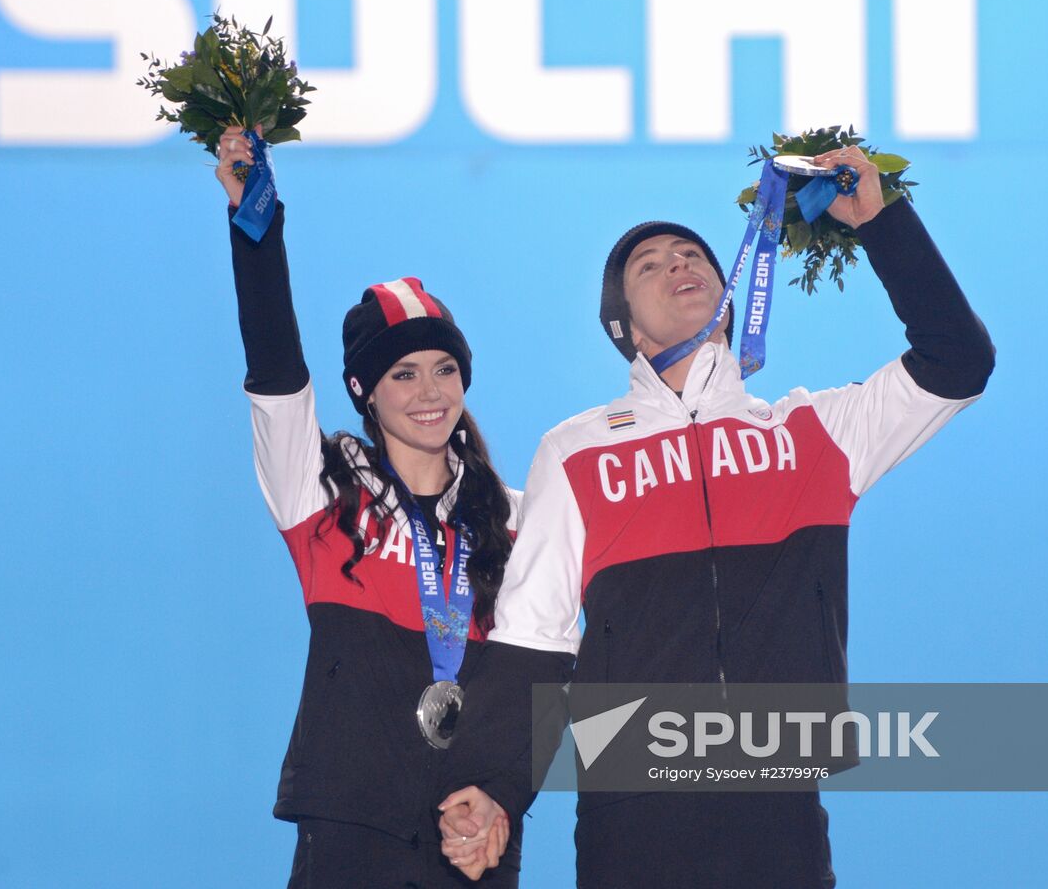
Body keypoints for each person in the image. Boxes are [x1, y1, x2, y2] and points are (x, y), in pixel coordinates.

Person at [437, 145, 996, 886]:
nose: (677, 265)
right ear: (626, 331)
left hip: (779, 803)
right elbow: (529, 639)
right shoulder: (573, 452)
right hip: (630, 808)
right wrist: (497, 788)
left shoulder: (814, 433)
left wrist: (880, 222)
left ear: (731, 298)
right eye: (649, 266)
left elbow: (958, 359)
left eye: (690, 254)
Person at [215, 126, 519, 887]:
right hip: (351, 826)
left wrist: (503, 796)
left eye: (445, 369)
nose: (429, 393)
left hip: (471, 831)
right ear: (364, 392)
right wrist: (258, 234)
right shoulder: (320, 491)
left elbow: (542, 679)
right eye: (403, 374)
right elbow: (276, 375)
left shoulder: (514, 516)